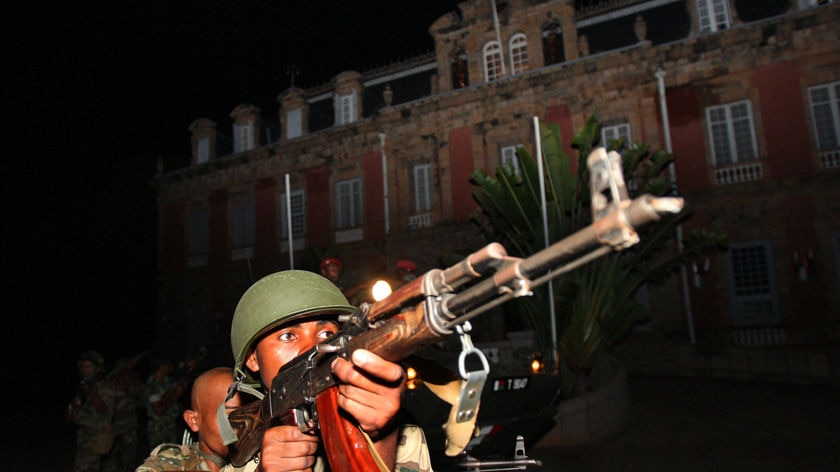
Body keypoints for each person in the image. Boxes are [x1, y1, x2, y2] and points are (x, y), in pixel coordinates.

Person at [223, 269, 432, 472]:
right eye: (288, 336)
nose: (311, 347)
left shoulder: (405, 437)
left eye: (325, 333)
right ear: (252, 358)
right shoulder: (245, 464)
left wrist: (381, 438)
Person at [136, 367, 243, 471]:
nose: (242, 426)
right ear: (193, 421)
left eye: (248, 415)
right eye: (228, 416)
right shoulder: (172, 464)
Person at [67, 350, 117, 472]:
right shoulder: (83, 386)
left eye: (88, 366)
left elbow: (104, 410)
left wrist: (92, 393)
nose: (85, 370)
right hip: (83, 435)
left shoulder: (104, 386)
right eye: (83, 366)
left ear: (98, 368)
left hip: (96, 436)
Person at [103, 356, 146, 472]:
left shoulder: (133, 382)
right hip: (113, 425)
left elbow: (142, 399)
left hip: (129, 425)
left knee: (128, 458)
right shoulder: (109, 382)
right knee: (110, 459)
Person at [145, 356, 190, 447]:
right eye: (168, 365)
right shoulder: (153, 384)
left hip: (169, 424)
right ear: (161, 366)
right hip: (158, 429)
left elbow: (167, 395)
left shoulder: (166, 381)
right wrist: (176, 395)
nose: (171, 367)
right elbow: (158, 410)